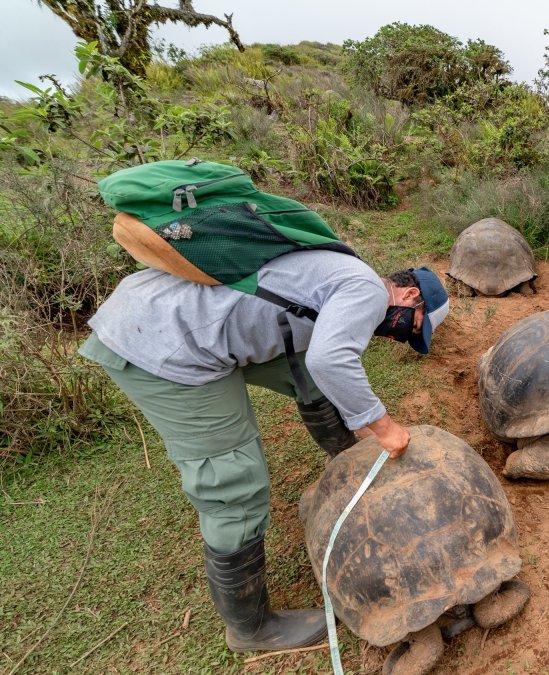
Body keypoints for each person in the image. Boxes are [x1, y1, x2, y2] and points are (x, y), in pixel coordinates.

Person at [78, 251, 448, 653]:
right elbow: (332, 360)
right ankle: (252, 628)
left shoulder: (342, 272)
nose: (396, 336)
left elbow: (317, 363)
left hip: (167, 309)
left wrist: (360, 428)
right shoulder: (369, 291)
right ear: (409, 295)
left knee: (306, 369)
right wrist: (384, 427)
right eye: (411, 327)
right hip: (162, 340)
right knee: (234, 483)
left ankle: (351, 466)